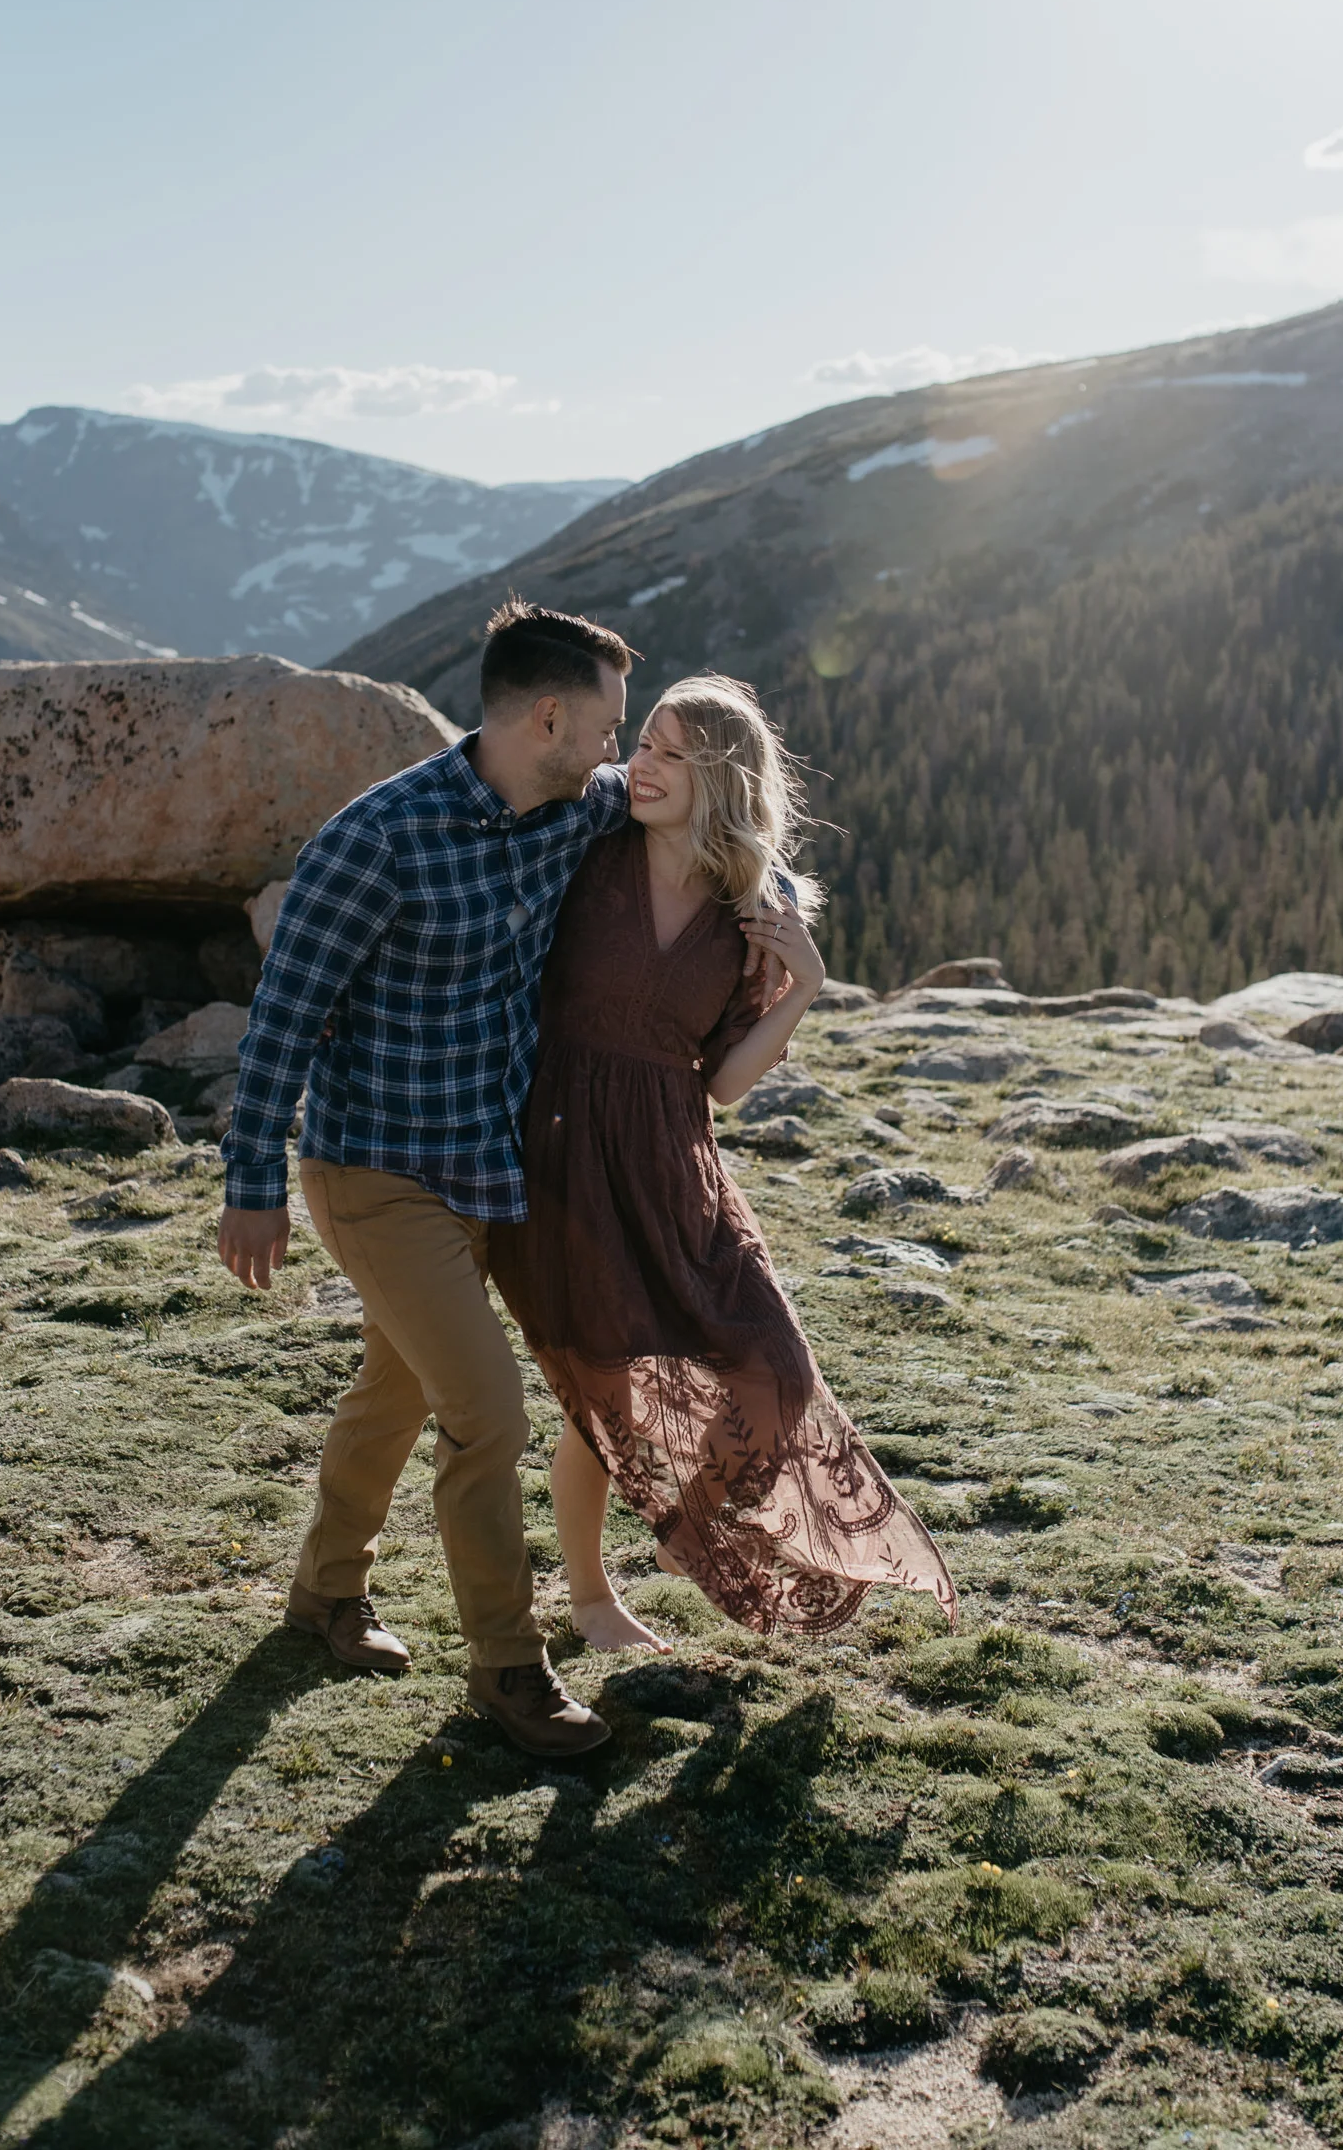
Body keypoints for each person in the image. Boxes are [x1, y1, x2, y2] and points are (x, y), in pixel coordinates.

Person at [218, 600, 657, 1760]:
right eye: (609, 726)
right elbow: (282, 1021)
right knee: (489, 1411)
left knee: (397, 1393)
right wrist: (250, 1180)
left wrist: (772, 905)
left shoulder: (572, 807)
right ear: (549, 715)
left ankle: (323, 1592)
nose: (618, 751)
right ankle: (510, 1669)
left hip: (486, 1174)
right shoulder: (380, 838)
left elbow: (675, 804)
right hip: (372, 1172)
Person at [487, 674, 958, 1651]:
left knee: (774, 1370)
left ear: (723, 776)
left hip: (673, 1162)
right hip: (564, 1156)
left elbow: (726, 1081)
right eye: (642, 744)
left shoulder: (755, 908)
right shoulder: (589, 846)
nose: (638, 766)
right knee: (601, 1395)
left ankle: (686, 1525)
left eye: (666, 752)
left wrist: (805, 986)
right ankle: (588, 1599)